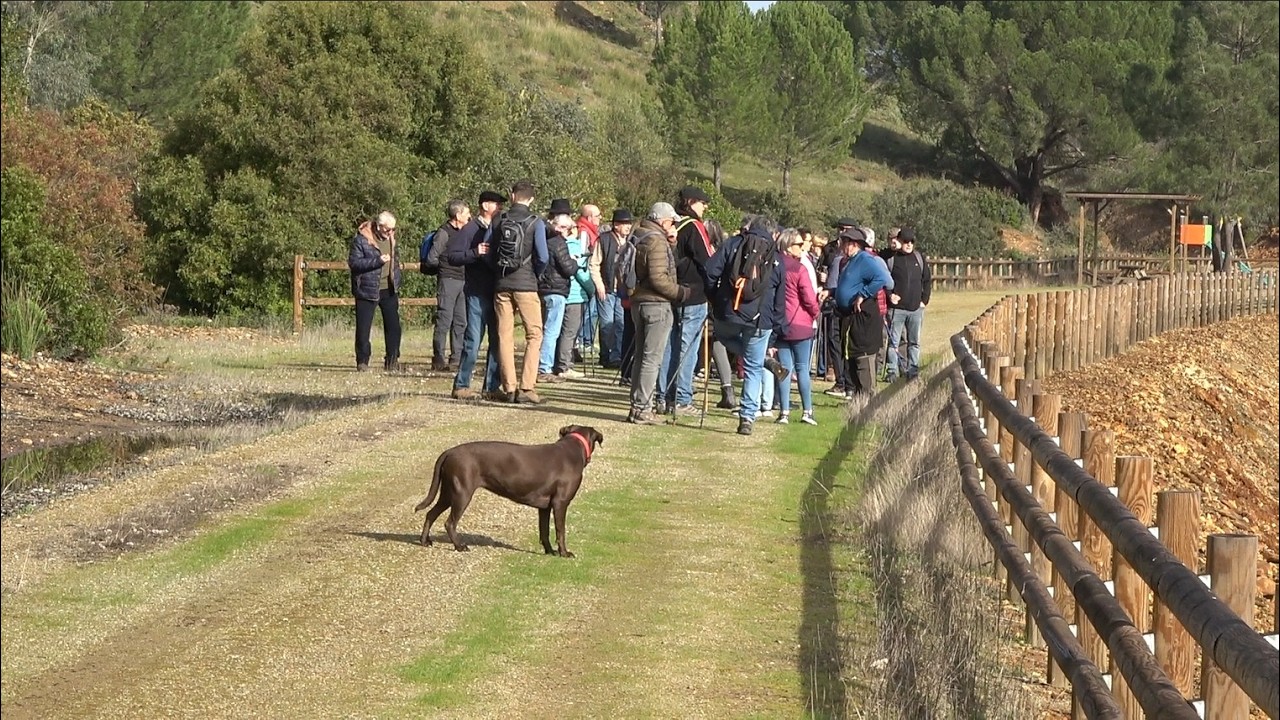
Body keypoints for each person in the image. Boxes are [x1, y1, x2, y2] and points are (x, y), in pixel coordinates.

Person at [705, 216, 788, 436]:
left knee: (722, 338)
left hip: (728, 313)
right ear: (773, 234)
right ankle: (747, 418)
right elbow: (781, 299)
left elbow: (710, 271)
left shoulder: (732, 244)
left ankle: (761, 359)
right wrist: (777, 329)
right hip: (761, 319)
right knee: (753, 367)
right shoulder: (776, 257)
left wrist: (715, 298)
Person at [627, 202, 692, 425]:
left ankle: (636, 406)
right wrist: (681, 292)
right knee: (651, 359)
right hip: (656, 304)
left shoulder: (639, 235)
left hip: (638, 302)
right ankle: (643, 409)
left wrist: (671, 244)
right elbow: (658, 278)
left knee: (640, 357)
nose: (673, 225)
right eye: (671, 221)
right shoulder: (655, 240)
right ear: (663, 220)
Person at [489, 180, 550, 405]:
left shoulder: (499, 219)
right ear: (531, 199)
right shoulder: (536, 222)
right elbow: (542, 256)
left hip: (501, 284)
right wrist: (536, 273)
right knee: (534, 334)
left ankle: (509, 387)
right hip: (526, 285)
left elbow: (489, 252)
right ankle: (527, 387)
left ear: (512, 195)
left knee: (504, 336)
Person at [660, 186, 715, 415]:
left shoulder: (671, 226)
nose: (705, 207)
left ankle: (662, 397)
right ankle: (682, 398)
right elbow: (709, 259)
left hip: (672, 292)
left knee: (669, 346)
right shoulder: (693, 226)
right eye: (702, 203)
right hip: (693, 294)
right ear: (691, 202)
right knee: (687, 348)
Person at [446, 190, 505, 400]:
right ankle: (461, 385)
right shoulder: (470, 229)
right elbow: (451, 256)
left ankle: (491, 387)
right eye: (497, 204)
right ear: (486, 205)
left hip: (496, 292)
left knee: (497, 341)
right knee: (473, 340)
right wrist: (474, 253)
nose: (500, 207)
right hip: (476, 293)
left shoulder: (499, 228)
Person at [834, 228, 894, 397]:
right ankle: (858, 400)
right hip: (850, 317)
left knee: (863, 359)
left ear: (853, 245)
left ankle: (868, 402)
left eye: (843, 243)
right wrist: (832, 292)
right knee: (852, 358)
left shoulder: (865, 259)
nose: (840, 246)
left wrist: (863, 294)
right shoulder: (849, 261)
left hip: (864, 318)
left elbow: (882, 278)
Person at [774, 228, 822, 425]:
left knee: (784, 368)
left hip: (780, 323)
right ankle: (807, 411)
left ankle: (784, 412)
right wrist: (816, 311)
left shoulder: (773, 267)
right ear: (788, 246)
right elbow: (809, 298)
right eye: (799, 245)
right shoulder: (799, 268)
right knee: (802, 368)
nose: (802, 248)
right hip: (801, 323)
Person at [348, 211, 402, 372]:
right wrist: (377, 261)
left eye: (393, 229)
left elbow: (395, 260)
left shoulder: (391, 238)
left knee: (394, 327)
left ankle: (392, 360)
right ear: (378, 226)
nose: (390, 233)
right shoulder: (361, 240)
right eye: (387, 230)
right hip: (366, 289)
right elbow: (354, 263)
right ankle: (363, 361)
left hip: (388, 288)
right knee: (363, 328)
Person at [537, 200, 581, 383]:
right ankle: (544, 367)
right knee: (551, 331)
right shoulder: (558, 242)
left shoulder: (542, 238)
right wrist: (575, 261)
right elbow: (568, 268)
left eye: (567, 228)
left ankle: (543, 365)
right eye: (564, 227)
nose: (565, 231)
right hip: (556, 289)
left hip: (544, 288)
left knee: (543, 329)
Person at [428, 199, 471, 372]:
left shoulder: (464, 233)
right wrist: (446, 267)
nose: (469, 217)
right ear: (458, 215)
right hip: (448, 281)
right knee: (444, 320)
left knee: (461, 321)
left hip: (463, 281)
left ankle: (456, 359)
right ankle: (438, 358)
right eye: (467, 214)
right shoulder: (444, 233)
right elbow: (432, 258)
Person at [884, 228, 932, 381]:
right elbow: (884, 282)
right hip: (897, 310)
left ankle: (913, 369)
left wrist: (924, 300)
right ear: (899, 241)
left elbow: (927, 280)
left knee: (914, 342)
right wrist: (890, 296)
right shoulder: (891, 260)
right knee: (893, 342)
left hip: (915, 309)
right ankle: (892, 371)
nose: (909, 244)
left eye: (912, 241)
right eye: (905, 241)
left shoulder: (919, 258)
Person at [589, 208, 633, 369]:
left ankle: (617, 356)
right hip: (607, 289)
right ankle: (606, 355)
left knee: (620, 324)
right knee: (607, 324)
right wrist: (599, 285)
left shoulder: (631, 242)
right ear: (616, 225)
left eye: (629, 223)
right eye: (624, 223)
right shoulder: (604, 240)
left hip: (623, 292)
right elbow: (594, 264)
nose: (628, 226)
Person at [575, 204, 603, 363]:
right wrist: (589, 283)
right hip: (585, 280)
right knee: (587, 313)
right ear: (589, 217)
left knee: (590, 312)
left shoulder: (590, 231)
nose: (600, 219)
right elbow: (581, 257)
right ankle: (584, 342)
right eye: (598, 216)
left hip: (588, 278)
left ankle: (587, 341)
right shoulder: (584, 232)